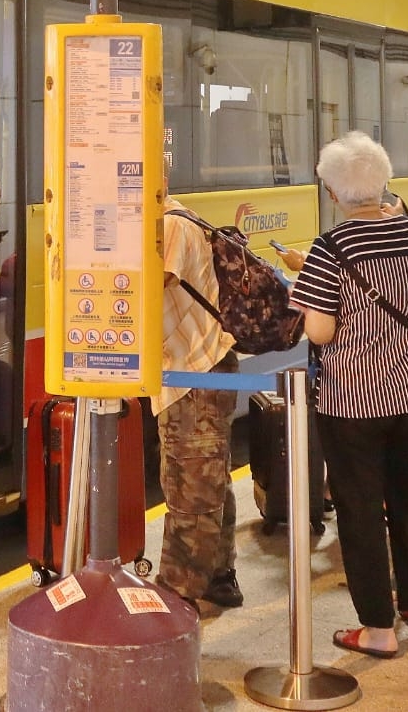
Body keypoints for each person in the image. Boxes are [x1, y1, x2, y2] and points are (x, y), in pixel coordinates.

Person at [290, 132, 408, 658]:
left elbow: (320, 331)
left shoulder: (329, 247)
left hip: (354, 401)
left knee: (361, 510)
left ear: (333, 192)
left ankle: (378, 630)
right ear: (383, 182)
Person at [154, 203, 242, 614]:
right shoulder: (176, 219)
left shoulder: (170, 225)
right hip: (198, 369)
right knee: (209, 473)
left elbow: (147, 286)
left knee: (191, 481)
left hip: (194, 372)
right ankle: (218, 576)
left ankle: (178, 591)